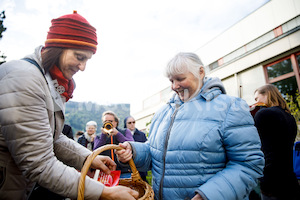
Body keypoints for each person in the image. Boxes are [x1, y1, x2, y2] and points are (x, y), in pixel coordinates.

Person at [0, 11, 138, 200]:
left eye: (87, 60)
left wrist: (89, 159)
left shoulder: (49, 81)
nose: (83, 67)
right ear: (58, 47)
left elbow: (52, 138)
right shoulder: (25, 80)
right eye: (79, 57)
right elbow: (39, 163)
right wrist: (104, 192)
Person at [116, 52, 265, 200]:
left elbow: (248, 164)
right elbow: (155, 153)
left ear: (200, 72)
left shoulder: (231, 107)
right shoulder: (163, 112)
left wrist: (207, 195)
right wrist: (134, 151)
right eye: (171, 81)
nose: (175, 86)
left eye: (180, 79)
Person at [253, 84, 300, 200]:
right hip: (290, 181)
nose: (255, 103)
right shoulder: (290, 117)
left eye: (257, 99)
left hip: (271, 182)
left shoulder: (263, 114)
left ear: (267, 95)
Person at [94, 111, 134, 178]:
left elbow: (132, 145)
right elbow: (95, 152)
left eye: (110, 121)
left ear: (116, 122)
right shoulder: (99, 136)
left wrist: (118, 134)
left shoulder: (125, 131)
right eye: (105, 121)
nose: (108, 123)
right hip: (106, 172)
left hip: (124, 171)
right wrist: (103, 136)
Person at [124, 116, 148, 181]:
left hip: (140, 166)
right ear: (125, 124)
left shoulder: (141, 134)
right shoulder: (122, 134)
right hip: (127, 167)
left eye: (133, 122)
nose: (132, 124)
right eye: (129, 123)